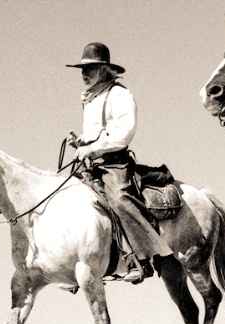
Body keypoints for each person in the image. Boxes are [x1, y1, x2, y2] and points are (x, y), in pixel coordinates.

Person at [66, 42, 157, 283]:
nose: (84, 73)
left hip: (114, 164)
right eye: (82, 69)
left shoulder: (119, 94)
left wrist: (92, 148)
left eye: (90, 68)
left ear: (105, 69)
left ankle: (141, 260)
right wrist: (82, 142)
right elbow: (99, 133)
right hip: (91, 165)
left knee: (119, 201)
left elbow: (124, 132)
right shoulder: (90, 98)